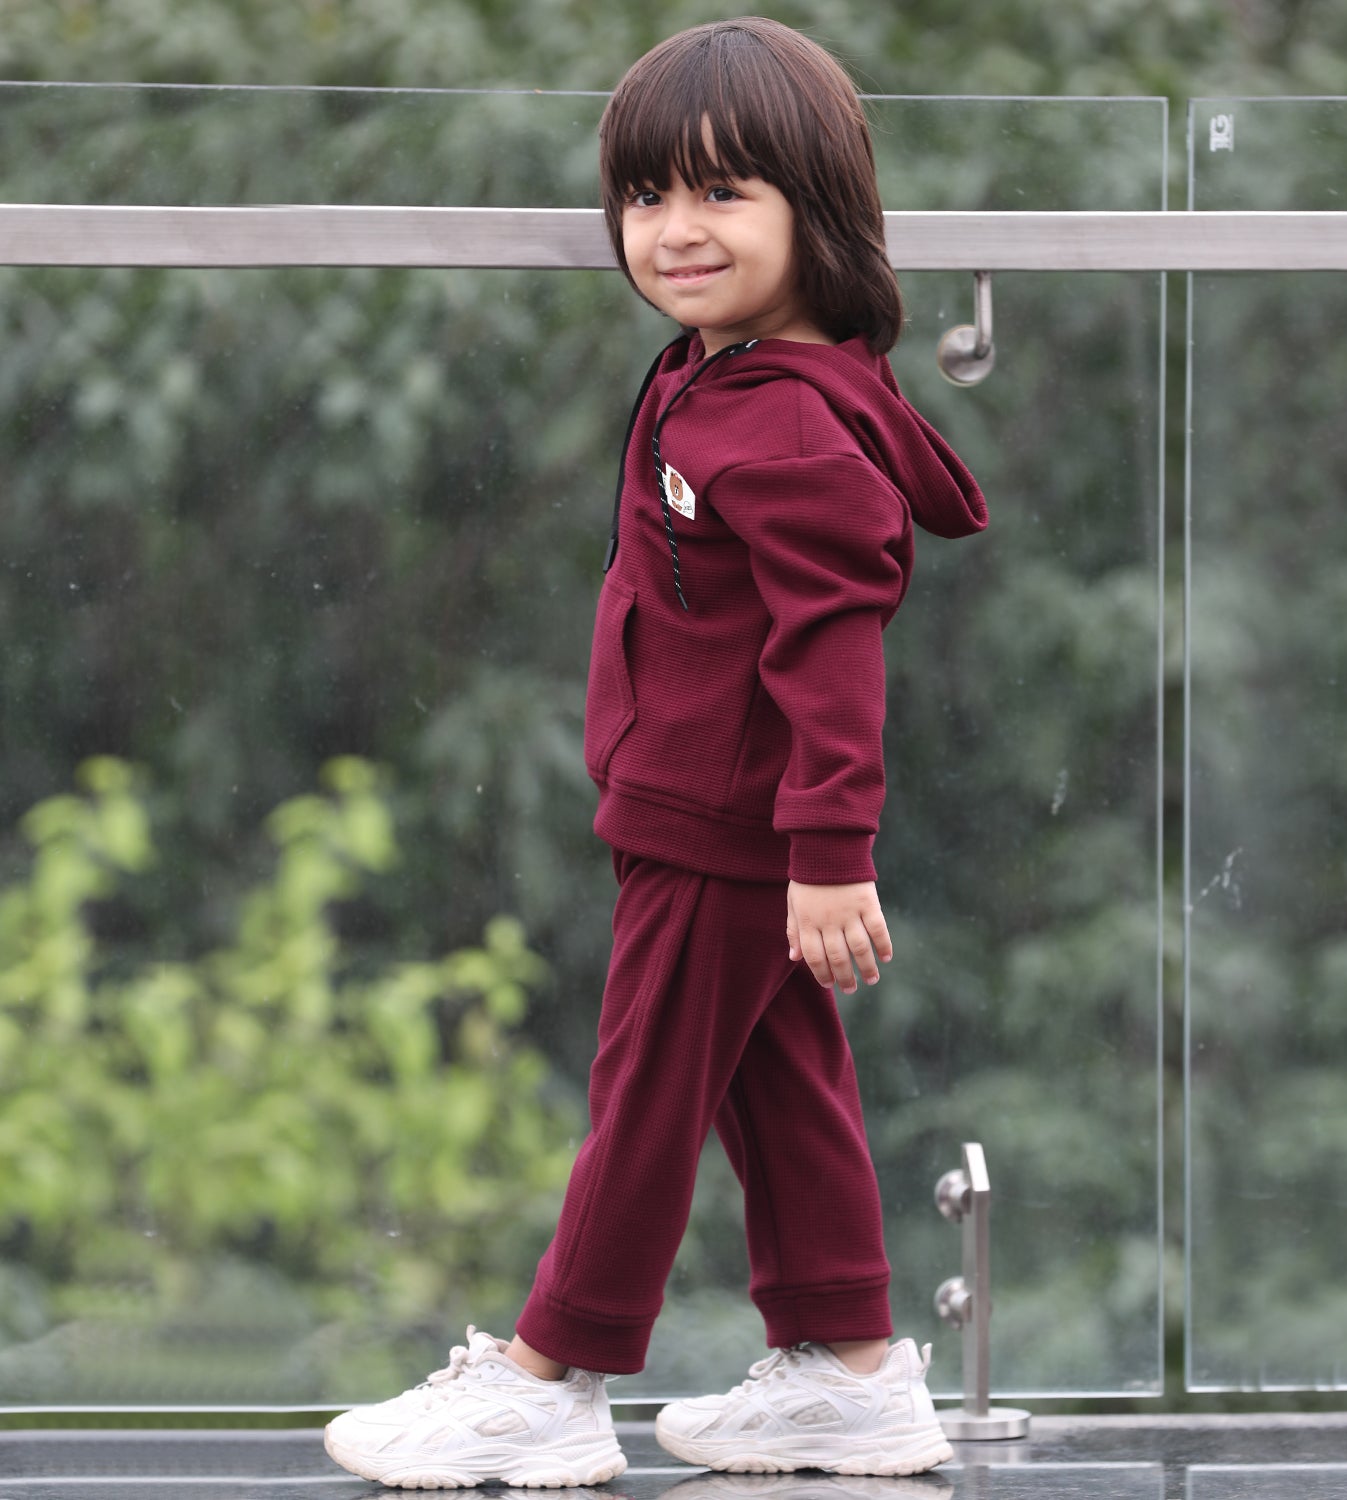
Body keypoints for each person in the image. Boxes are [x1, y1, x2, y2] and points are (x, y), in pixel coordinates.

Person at [324, 15, 987, 1490]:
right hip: (700, 808)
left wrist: (830, 853)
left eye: (723, 192)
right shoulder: (724, 368)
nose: (674, 230)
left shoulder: (788, 421)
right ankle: (849, 1370)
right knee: (777, 1080)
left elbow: (834, 655)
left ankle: (549, 1381)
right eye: (643, 195)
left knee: (644, 1103)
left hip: (729, 825)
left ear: (819, 209)